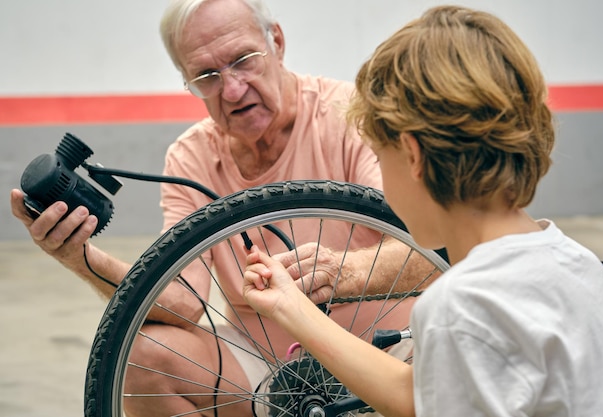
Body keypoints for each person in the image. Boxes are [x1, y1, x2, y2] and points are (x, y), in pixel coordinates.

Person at [10, 0, 435, 416]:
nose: (232, 89)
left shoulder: (349, 116)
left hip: (389, 350)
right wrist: (80, 257)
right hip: (267, 367)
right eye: (206, 76)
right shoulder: (190, 158)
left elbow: (432, 246)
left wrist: (342, 272)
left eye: (243, 60)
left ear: (278, 42)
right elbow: (182, 300)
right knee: (143, 355)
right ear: (186, 80)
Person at [244, 5, 603, 417]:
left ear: (412, 155)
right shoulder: (579, 267)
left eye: (380, 156)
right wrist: (292, 308)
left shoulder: (460, 308)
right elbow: (416, 396)